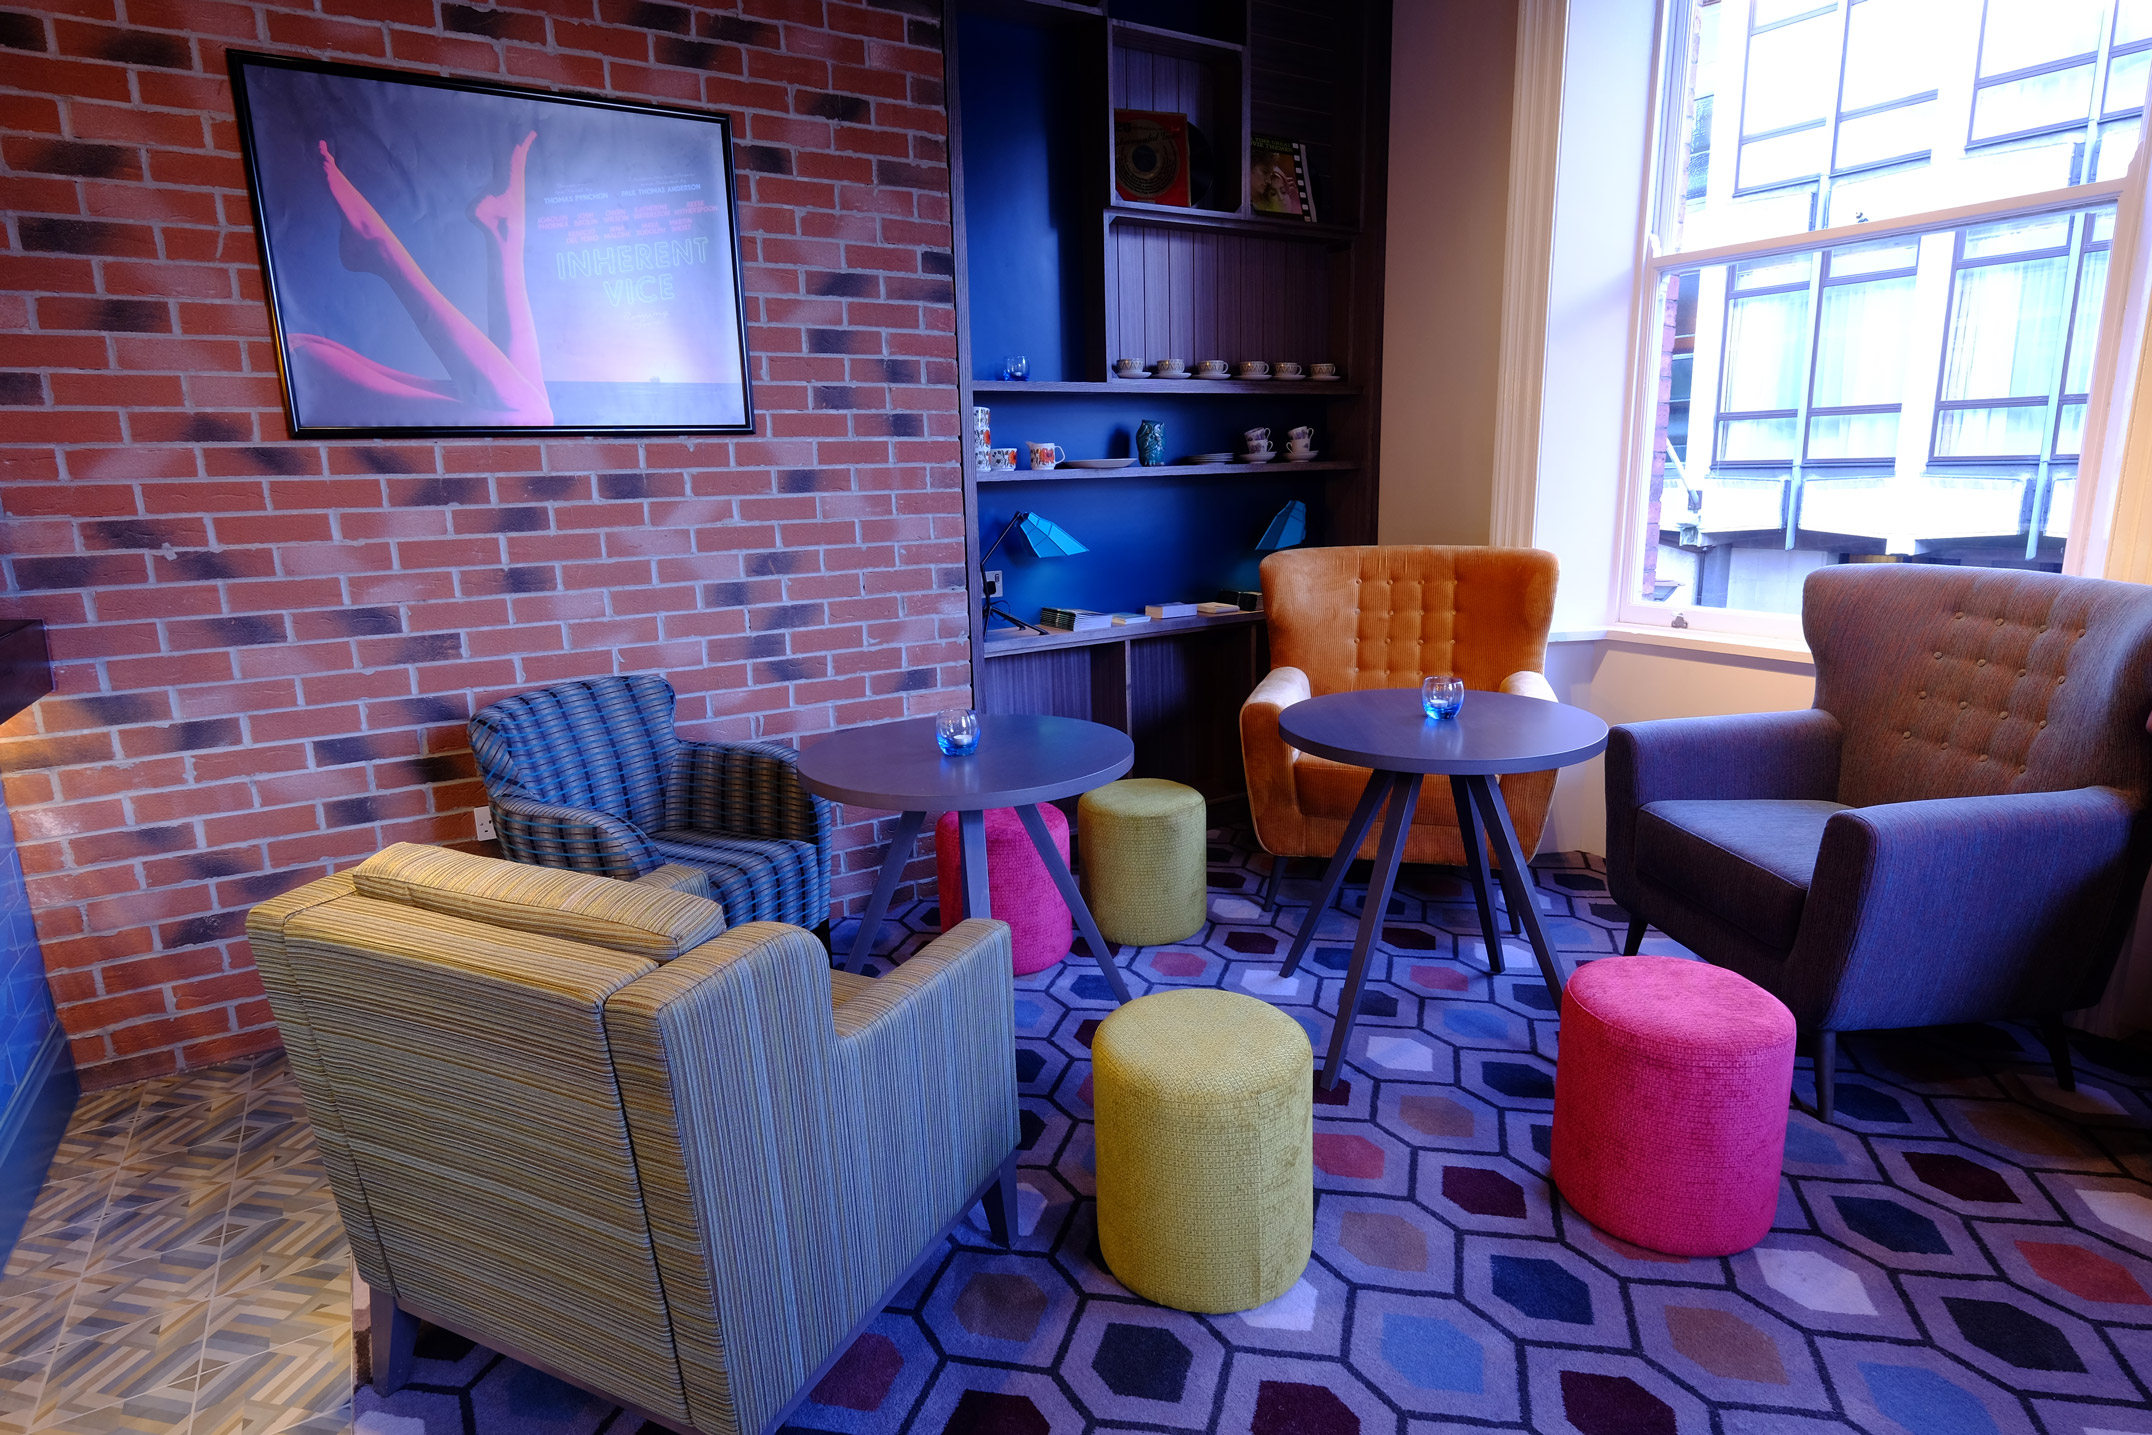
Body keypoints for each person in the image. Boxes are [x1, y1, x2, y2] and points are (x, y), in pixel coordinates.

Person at [287, 130, 552, 426]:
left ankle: (500, 236)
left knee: (530, 409)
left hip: (313, 376)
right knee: (531, 411)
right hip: (311, 376)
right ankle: (504, 237)